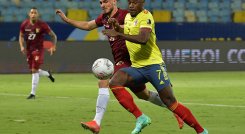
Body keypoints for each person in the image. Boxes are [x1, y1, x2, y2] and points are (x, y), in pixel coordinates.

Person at [56, 0, 184, 133]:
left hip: (129, 61)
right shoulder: (104, 18)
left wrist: (118, 28)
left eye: (105, 1)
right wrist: (67, 20)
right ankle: (175, 109)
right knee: (144, 95)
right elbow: (88, 25)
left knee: (103, 80)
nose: (102, 5)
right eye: (100, 2)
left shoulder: (126, 14)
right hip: (122, 61)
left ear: (114, 1)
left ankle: (97, 122)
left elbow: (138, 30)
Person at [102, 0, 208, 134]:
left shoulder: (146, 16)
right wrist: (117, 27)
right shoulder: (129, 17)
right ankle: (141, 117)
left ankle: (201, 131)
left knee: (170, 102)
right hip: (137, 68)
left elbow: (143, 38)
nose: (131, 5)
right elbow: (128, 28)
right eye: (129, 2)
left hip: (154, 66)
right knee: (115, 82)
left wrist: (118, 34)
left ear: (142, 3)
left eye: (135, 3)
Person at [19, 7, 57, 99]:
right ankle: (48, 74)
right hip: (29, 50)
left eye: (35, 13)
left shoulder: (42, 25)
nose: (33, 14)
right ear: (29, 14)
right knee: (33, 71)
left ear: (37, 15)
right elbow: (20, 36)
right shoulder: (24, 24)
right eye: (32, 12)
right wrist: (22, 46)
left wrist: (53, 46)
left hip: (38, 50)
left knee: (34, 70)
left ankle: (33, 93)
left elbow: (53, 36)